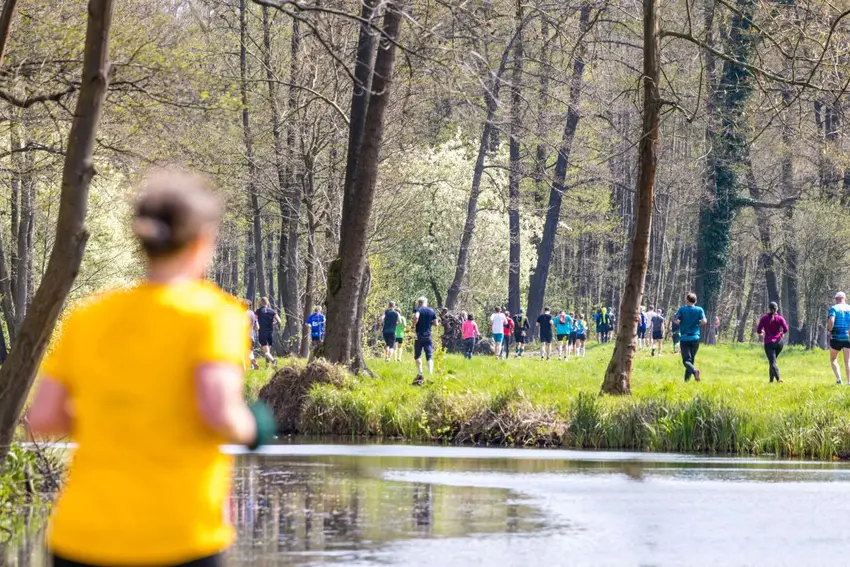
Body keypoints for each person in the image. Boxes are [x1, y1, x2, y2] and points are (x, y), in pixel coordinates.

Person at [26, 171, 275, 567]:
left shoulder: (88, 316)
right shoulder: (214, 314)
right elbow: (218, 411)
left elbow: (42, 418)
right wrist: (257, 426)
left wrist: (115, 414)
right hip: (180, 535)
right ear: (203, 240)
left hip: (82, 538)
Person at [674, 292, 707, 382]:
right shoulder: (699, 309)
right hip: (695, 338)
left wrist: (681, 322)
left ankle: (695, 372)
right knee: (691, 360)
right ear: (695, 301)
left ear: (687, 300)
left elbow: (676, 320)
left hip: (685, 338)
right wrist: (698, 322)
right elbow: (704, 321)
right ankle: (686, 381)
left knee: (686, 361)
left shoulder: (682, 309)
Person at [757, 301, 788, 384]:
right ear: (777, 308)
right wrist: (781, 333)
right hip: (779, 343)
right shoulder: (780, 318)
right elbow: (786, 329)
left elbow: (758, 330)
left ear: (769, 309)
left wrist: (762, 332)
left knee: (772, 362)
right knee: (773, 362)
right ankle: (771, 382)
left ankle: (779, 379)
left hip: (769, 343)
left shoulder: (764, 318)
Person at [413, 296, 438, 384]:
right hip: (428, 335)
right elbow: (436, 323)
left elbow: (416, 317)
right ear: (425, 302)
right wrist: (430, 323)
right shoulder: (431, 310)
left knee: (417, 355)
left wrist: (414, 324)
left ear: (419, 303)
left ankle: (420, 372)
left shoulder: (418, 309)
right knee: (429, 355)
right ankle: (430, 373)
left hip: (419, 335)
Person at [827, 291, 850, 385]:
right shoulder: (849, 308)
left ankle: (839, 379)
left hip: (836, 337)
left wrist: (830, 330)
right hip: (847, 337)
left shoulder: (834, 308)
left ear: (836, 299)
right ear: (844, 298)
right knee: (847, 361)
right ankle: (849, 381)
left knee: (833, 359)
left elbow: (831, 320)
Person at [255, 297, 281, 369]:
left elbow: (254, 319)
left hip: (262, 333)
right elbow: (279, 321)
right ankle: (267, 367)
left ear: (261, 302)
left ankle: (274, 361)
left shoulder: (258, 311)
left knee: (266, 352)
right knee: (268, 351)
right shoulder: (272, 311)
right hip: (270, 333)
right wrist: (273, 324)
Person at [244, 299, 259, 370]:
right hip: (252, 336)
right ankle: (252, 364)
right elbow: (257, 327)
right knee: (250, 352)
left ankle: (249, 364)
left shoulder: (243, 313)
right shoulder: (253, 314)